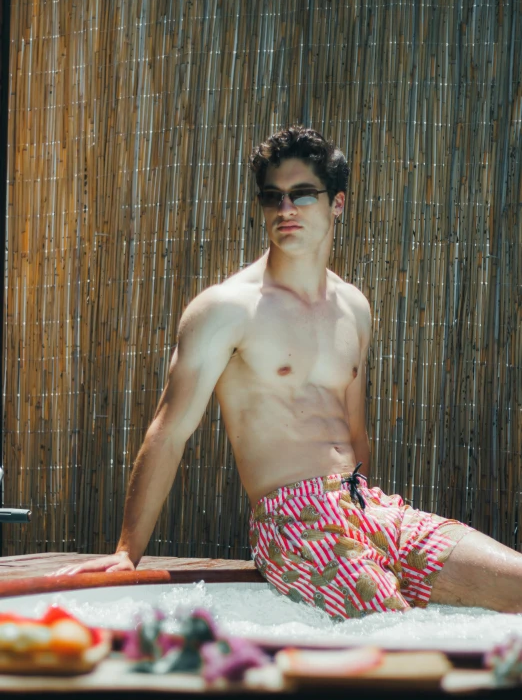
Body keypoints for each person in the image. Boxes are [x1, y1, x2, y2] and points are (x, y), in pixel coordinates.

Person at [55, 127, 522, 617]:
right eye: (272, 197)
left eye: (302, 194)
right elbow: (168, 433)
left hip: (370, 507)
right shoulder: (227, 309)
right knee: (398, 635)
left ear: (336, 203)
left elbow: (355, 433)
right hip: (292, 522)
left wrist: (367, 532)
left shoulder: (354, 308)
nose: (286, 210)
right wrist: (126, 553)